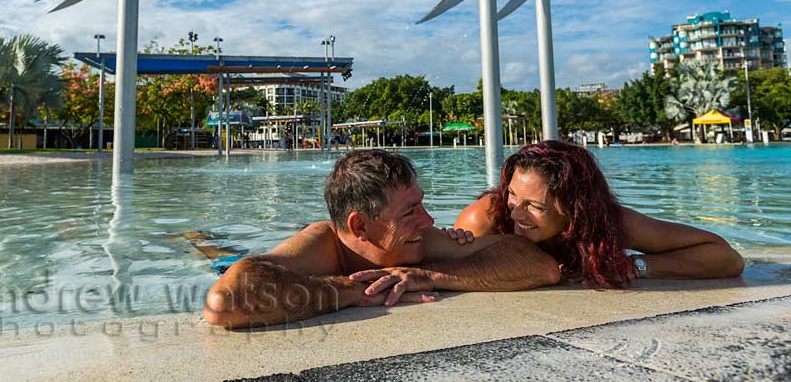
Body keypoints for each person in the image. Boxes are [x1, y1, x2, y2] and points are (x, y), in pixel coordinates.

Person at [204, 149, 560, 329]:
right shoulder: (322, 245)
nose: (429, 221)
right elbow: (224, 302)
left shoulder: (417, 242)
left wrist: (428, 275)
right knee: (216, 254)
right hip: (236, 264)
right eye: (410, 211)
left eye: (422, 204)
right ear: (360, 226)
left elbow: (538, 264)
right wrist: (354, 291)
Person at [453, 141, 745, 288]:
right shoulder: (486, 217)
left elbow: (727, 257)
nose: (516, 212)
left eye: (535, 206)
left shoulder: (605, 223)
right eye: (513, 194)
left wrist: (634, 267)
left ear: (574, 208)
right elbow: (449, 270)